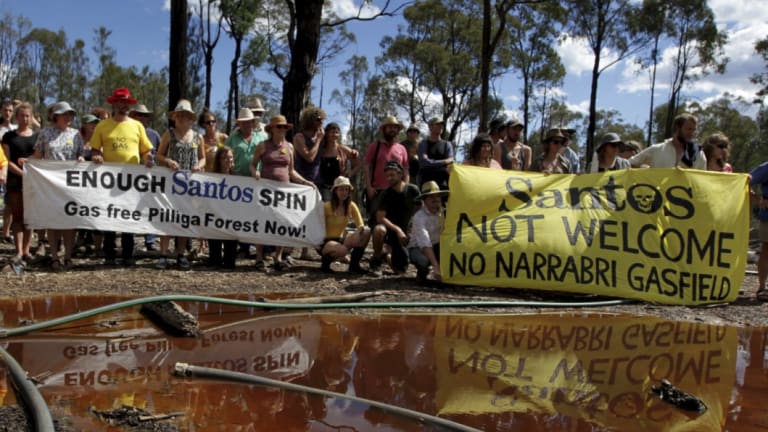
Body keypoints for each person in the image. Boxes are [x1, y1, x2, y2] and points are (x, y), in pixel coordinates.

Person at [90, 87, 155, 267]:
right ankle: (109, 254)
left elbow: (146, 150)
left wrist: (148, 159)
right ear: (114, 104)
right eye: (120, 102)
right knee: (109, 216)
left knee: (129, 216)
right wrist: (97, 156)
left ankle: (128, 254)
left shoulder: (137, 126)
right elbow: (95, 149)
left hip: (131, 180)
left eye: (126, 103)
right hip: (109, 181)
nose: (123, 105)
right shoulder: (103, 126)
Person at [249, 115, 315, 271]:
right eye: (279, 127)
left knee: (282, 222)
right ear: (271, 129)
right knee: (263, 223)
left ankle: (278, 257)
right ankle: (259, 256)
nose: (282, 129)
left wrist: (306, 182)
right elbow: (253, 165)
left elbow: (291, 171)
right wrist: (255, 173)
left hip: (284, 192)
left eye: (284, 127)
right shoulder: (263, 146)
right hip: (266, 192)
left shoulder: (290, 147)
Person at [31, 101, 85, 271]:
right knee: (53, 221)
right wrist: (27, 162)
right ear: (56, 116)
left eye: (70, 114)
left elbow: (81, 154)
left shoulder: (76, 134)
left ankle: (68, 256)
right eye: (65, 114)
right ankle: (54, 257)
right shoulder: (45, 133)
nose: (69, 117)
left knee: (69, 221)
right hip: (50, 185)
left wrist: (81, 160)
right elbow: (38, 156)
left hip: (70, 185)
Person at [155, 99, 206, 270]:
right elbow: (159, 155)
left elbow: (203, 157)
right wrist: (168, 160)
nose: (183, 118)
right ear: (175, 117)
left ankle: (181, 254)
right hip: (171, 183)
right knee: (167, 217)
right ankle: (163, 254)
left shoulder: (198, 137)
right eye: (180, 115)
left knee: (184, 219)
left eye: (187, 116)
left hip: (190, 185)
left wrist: (199, 164)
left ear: (192, 119)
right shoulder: (168, 134)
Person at [2, 102, 38, 268]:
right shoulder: (8, 136)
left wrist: (29, 168)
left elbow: (40, 157)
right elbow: (6, 160)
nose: (24, 118)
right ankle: (17, 251)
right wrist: (21, 173)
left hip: (34, 182)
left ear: (31, 118)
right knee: (17, 216)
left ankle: (26, 250)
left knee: (30, 218)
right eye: (21, 115)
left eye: (27, 116)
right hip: (15, 181)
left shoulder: (37, 136)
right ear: (16, 117)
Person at [370, 160, 421, 277]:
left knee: (400, 271)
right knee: (379, 230)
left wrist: (411, 229)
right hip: (390, 231)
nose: (389, 178)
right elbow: (380, 218)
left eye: (392, 175)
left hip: (407, 231)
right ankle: (376, 260)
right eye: (387, 176)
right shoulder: (385, 194)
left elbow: (420, 210)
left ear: (401, 174)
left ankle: (386, 255)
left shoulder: (413, 190)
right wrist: (398, 230)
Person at [363, 116, 409, 226]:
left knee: (396, 223)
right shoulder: (375, 146)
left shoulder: (402, 149)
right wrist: (369, 187)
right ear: (384, 129)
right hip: (378, 192)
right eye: (390, 127)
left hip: (396, 192)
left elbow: (406, 169)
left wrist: (406, 187)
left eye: (395, 127)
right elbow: (366, 166)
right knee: (377, 225)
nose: (392, 130)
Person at [319, 176, 371, 274]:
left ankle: (354, 266)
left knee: (366, 232)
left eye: (346, 189)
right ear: (335, 191)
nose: (344, 192)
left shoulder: (351, 205)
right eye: (341, 189)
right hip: (325, 242)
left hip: (341, 239)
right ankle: (325, 265)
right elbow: (317, 225)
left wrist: (359, 232)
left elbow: (360, 224)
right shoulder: (327, 206)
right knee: (343, 250)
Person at [129, 103, 162, 252]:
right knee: (130, 207)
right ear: (133, 116)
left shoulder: (154, 135)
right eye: (139, 115)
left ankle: (150, 240)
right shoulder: (128, 131)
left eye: (145, 115)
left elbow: (161, 154)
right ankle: (130, 240)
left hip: (150, 177)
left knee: (150, 207)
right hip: (130, 177)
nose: (142, 118)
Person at [629, 113, 706, 169]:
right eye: (688, 129)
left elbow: (702, 179)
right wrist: (642, 169)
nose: (692, 133)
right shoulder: (657, 149)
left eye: (694, 130)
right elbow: (629, 164)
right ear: (678, 128)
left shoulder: (698, 154)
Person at [408, 181, 449, 285]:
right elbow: (425, 243)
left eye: (437, 196)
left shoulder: (446, 212)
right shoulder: (419, 217)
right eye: (431, 197)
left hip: (439, 246)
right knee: (423, 260)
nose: (435, 199)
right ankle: (422, 274)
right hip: (418, 247)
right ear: (424, 200)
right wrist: (436, 265)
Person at [207, 146, 238, 271]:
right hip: (215, 215)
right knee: (214, 238)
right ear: (218, 160)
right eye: (224, 158)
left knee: (230, 259)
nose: (228, 160)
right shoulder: (210, 178)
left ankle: (229, 261)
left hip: (231, 217)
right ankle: (215, 260)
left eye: (230, 157)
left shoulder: (239, 179)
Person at [317, 122, 360, 201]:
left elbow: (358, 163)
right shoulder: (321, 150)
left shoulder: (343, 149)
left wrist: (350, 174)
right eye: (332, 132)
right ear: (327, 133)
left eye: (337, 132)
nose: (335, 135)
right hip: (326, 187)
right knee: (328, 209)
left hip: (340, 188)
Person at [417, 117, 453, 189]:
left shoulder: (447, 144)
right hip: (426, 185)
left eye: (442, 124)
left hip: (444, 185)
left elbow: (451, 162)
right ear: (430, 127)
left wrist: (431, 162)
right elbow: (424, 163)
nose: (441, 126)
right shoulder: (423, 144)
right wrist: (444, 161)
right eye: (437, 124)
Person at [749, 162, 768, 302]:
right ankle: (762, 288)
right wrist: (758, 200)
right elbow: (745, 180)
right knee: (766, 249)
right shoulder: (766, 167)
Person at [226, 107, 263, 177]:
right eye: (243, 122)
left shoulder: (262, 137)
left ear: (253, 123)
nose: (246, 124)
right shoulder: (231, 139)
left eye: (249, 122)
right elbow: (224, 156)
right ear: (239, 124)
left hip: (258, 178)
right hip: (237, 179)